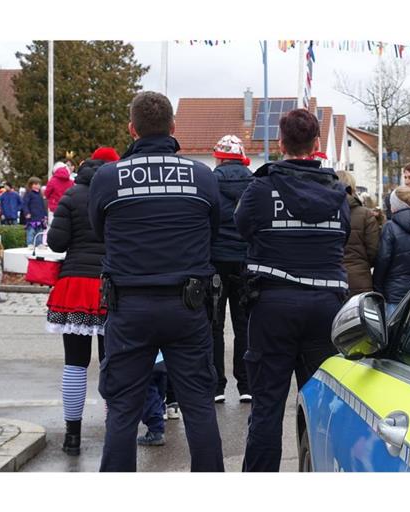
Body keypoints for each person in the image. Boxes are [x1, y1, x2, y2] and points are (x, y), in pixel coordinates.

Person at [88, 91, 223, 472]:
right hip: (187, 306)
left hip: (129, 306)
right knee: (198, 405)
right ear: (173, 128)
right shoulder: (200, 175)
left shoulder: (107, 177)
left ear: (132, 129)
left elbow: (101, 230)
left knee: (123, 409)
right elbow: (212, 230)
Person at [235, 108, 350, 472]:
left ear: (280, 143)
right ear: (317, 144)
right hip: (326, 307)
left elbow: (242, 229)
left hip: (273, 305)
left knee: (267, 405)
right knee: (320, 405)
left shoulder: (260, 188)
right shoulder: (338, 193)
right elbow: (343, 237)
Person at [46, 146, 119, 456]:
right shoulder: (118, 195)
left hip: (74, 283)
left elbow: (56, 241)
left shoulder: (72, 194)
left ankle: (72, 436)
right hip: (110, 285)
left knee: (74, 364)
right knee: (111, 363)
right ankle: (113, 432)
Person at [210, 134, 254, 404]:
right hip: (245, 260)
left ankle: (216, 385)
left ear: (219, 156)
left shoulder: (210, 181)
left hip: (214, 259)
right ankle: (246, 384)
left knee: (214, 325)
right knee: (244, 324)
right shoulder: (253, 182)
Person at [373, 186, 410, 317]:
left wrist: (377, 287)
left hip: (393, 292)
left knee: (392, 332)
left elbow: (383, 259)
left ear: (394, 206)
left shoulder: (390, 227)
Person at [336, 170, 379, 298]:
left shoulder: (322, 212)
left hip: (331, 278)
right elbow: (374, 251)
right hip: (359, 280)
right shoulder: (365, 214)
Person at [137, 352, 168, 447]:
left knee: (149, 397)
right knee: (159, 393)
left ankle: (156, 431)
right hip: (161, 359)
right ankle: (158, 422)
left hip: (145, 360)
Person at [22, 177, 48, 246]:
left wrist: (45, 216)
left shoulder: (40, 195)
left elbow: (43, 206)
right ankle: (30, 243)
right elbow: (25, 204)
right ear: (30, 185)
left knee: (39, 231)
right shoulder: (28, 194)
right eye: (35, 184)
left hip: (40, 217)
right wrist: (27, 213)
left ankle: (39, 244)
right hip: (31, 217)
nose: (38, 186)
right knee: (31, 231)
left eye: (39, 184)